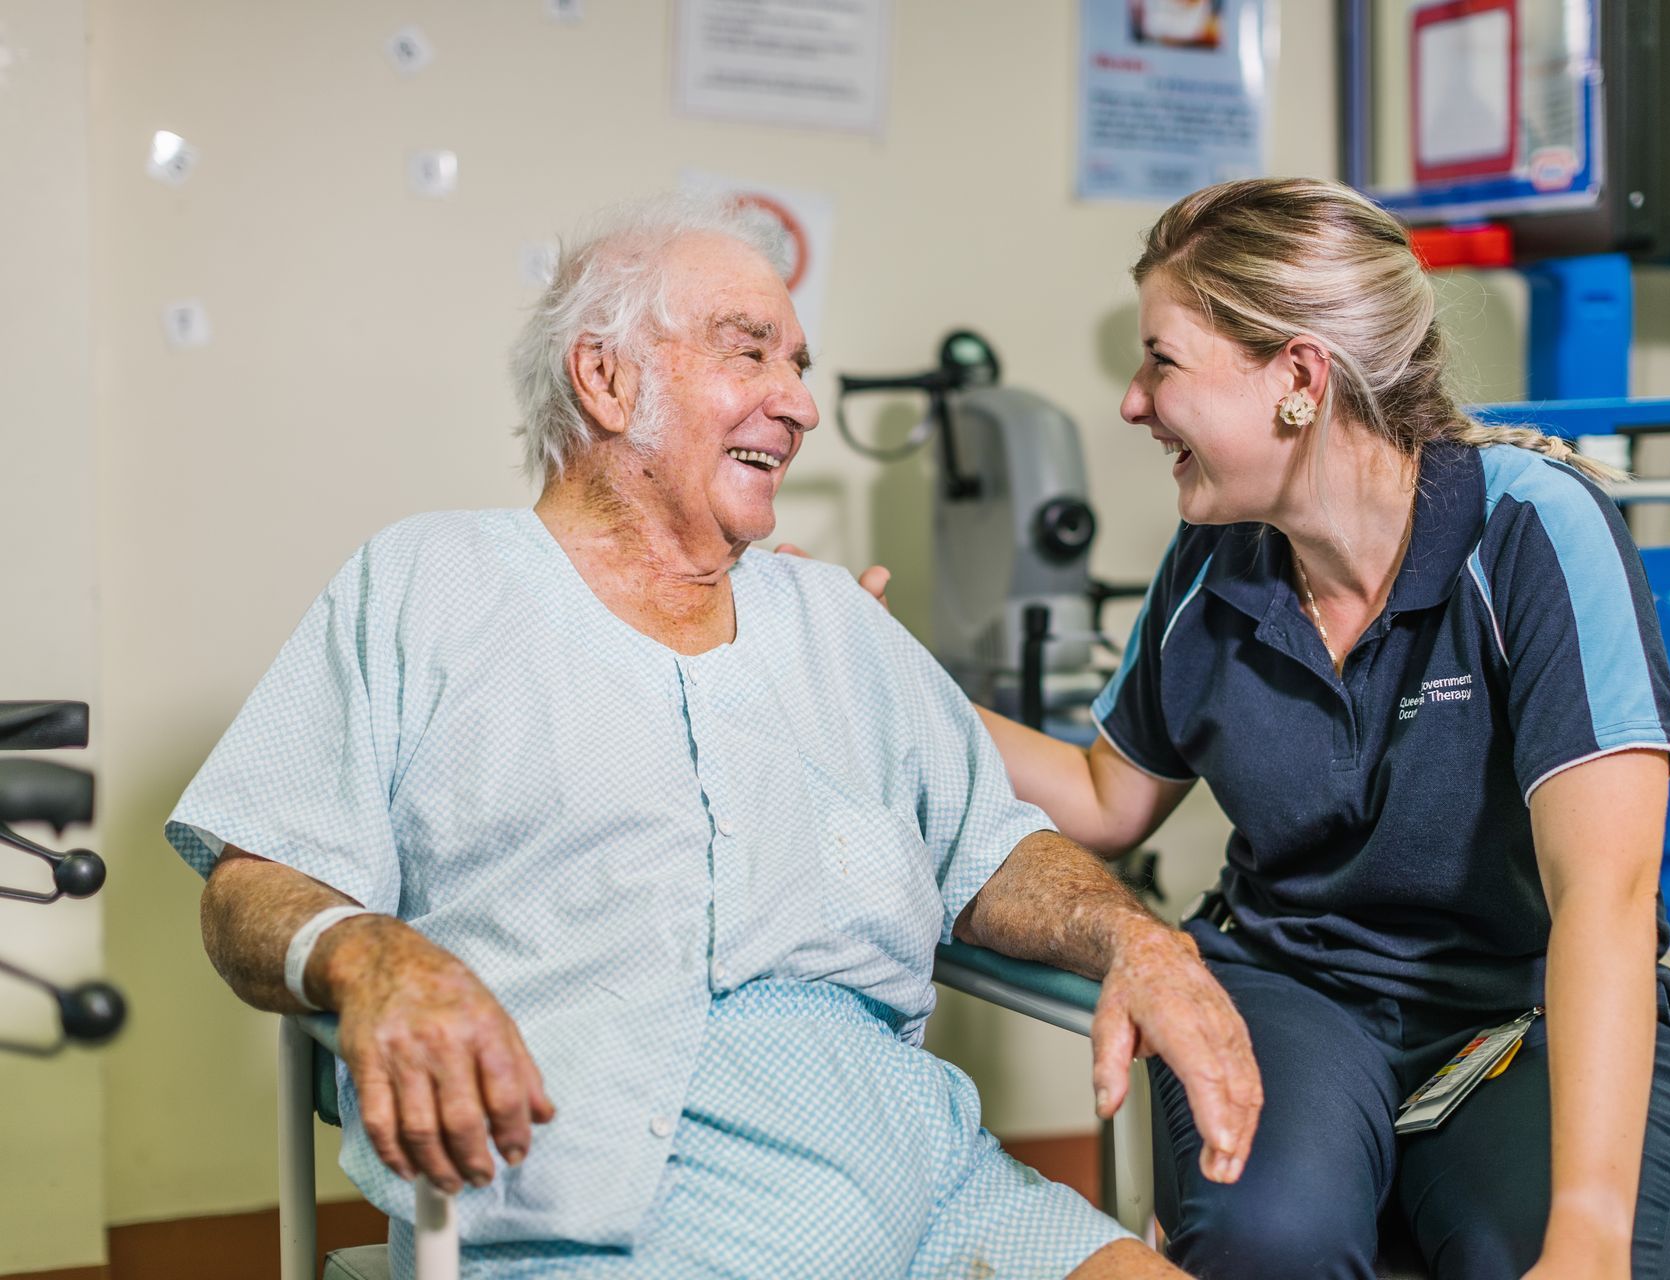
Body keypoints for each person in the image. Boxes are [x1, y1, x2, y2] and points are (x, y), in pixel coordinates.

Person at [165, 195, 1261, 1280]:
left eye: (800, 365)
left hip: (931, 1187)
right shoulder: (427, 585)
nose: (798, 404)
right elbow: (250, 881)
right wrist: (371, 955)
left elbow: (992, 848)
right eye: (752, 354)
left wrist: (1136, 938)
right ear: (605, 378)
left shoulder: (839, 624)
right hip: (607, 1215)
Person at [974, 179, 1670, 1280]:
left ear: (1298, 379)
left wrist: (1591, 1237)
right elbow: (1103, 796)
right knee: (1273, 1244)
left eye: (1163, 361)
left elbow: (1604, 897)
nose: (1133, 403)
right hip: (1297, 989)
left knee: (1555, 1255)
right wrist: (867, 662)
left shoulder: (1530, 528)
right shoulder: (1213, 560)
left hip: (1520, 1009)